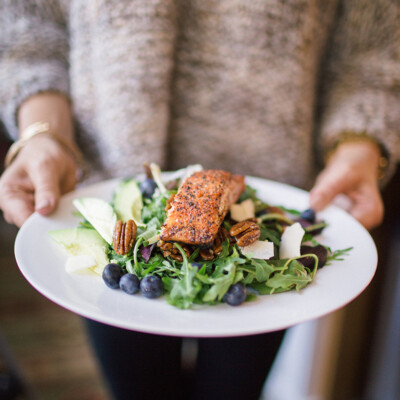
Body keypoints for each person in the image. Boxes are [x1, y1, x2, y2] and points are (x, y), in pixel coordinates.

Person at [0, 1, 398, 399]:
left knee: (234, 391)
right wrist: (42, 132)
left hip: (271, 215)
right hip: (115, 209)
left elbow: (375, 43)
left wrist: (358, 143)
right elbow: (27, 24)